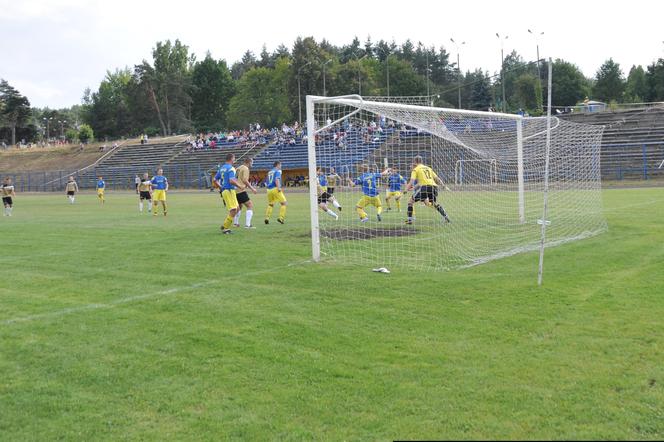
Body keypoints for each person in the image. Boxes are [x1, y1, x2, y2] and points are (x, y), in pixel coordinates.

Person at [404, 155, 450, 225]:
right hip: (434, 187)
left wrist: (406, 189)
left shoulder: (416, 169)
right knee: (433, 204)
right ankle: (446, 217)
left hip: (425, 187)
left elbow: (412, 181)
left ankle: (410, 220)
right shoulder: (428, 168)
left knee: (410, 202)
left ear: (415, 162)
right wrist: (443, 186)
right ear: (421, 161)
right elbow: (437, 178)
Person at [214, 153, 242, 234]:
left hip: (227, 190)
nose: (235, 160)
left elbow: (214, 180)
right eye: (234, 158)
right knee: (233, 209)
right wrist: (239, 185)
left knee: (237, 208)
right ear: (231, 159)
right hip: (229, 190)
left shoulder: (222, 168)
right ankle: (225, 228)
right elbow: (231, 180)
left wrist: (221, 187)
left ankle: (225, 225)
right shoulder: (231, 168)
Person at [233, 157, 258, 229]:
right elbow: (244, 180)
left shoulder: (238, 168)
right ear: (249, 162)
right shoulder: (246, 169)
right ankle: (248, 225)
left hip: (235, 190)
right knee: (249, 205)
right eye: (252, 163)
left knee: (239, 206)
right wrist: (252, 188)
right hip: (241, 190)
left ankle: (235, 223)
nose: (252, 164)